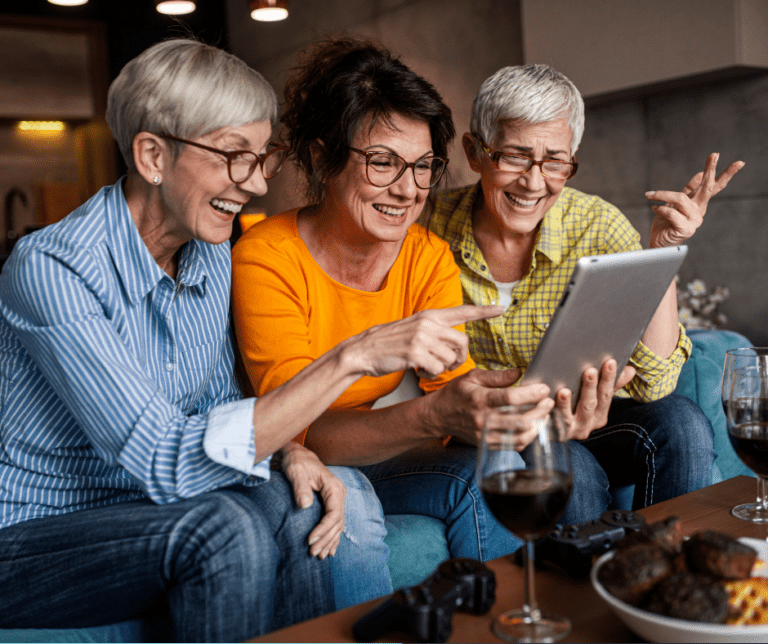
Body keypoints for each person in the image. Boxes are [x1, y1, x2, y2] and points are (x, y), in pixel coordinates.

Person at [0, 38, 468, 641]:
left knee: (302, 499)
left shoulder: (210, 252)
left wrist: (291, 452)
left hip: (156, 514)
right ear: (152, 156)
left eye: (260, 157)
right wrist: (355, 356)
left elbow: (220, 407)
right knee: (223, 530)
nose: (251, 184)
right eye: (231, 156)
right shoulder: (53, 269)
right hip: (37, 537)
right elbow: (162, 460)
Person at [231, 37, 598, 566]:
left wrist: (518, 403)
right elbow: (296, 429)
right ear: (321, 156)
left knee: (525, 465)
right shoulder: (267, 256)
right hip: (293, 461)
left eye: (423, 165)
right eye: (383, 163)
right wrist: (434, 417)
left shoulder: (427, 255)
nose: (409, 190)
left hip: (386, 452)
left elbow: (454, 391)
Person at [421, 63, 745, 514]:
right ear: (475, 152)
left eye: (555, 161)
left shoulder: (597, 225)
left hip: (594, 414)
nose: (534, 182)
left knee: (685, 425)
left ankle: (671, 574)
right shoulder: (428, 225)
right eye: (514, 156)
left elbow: (656, 383)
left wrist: (661, 250)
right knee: (574, 470)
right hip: (501, 424)